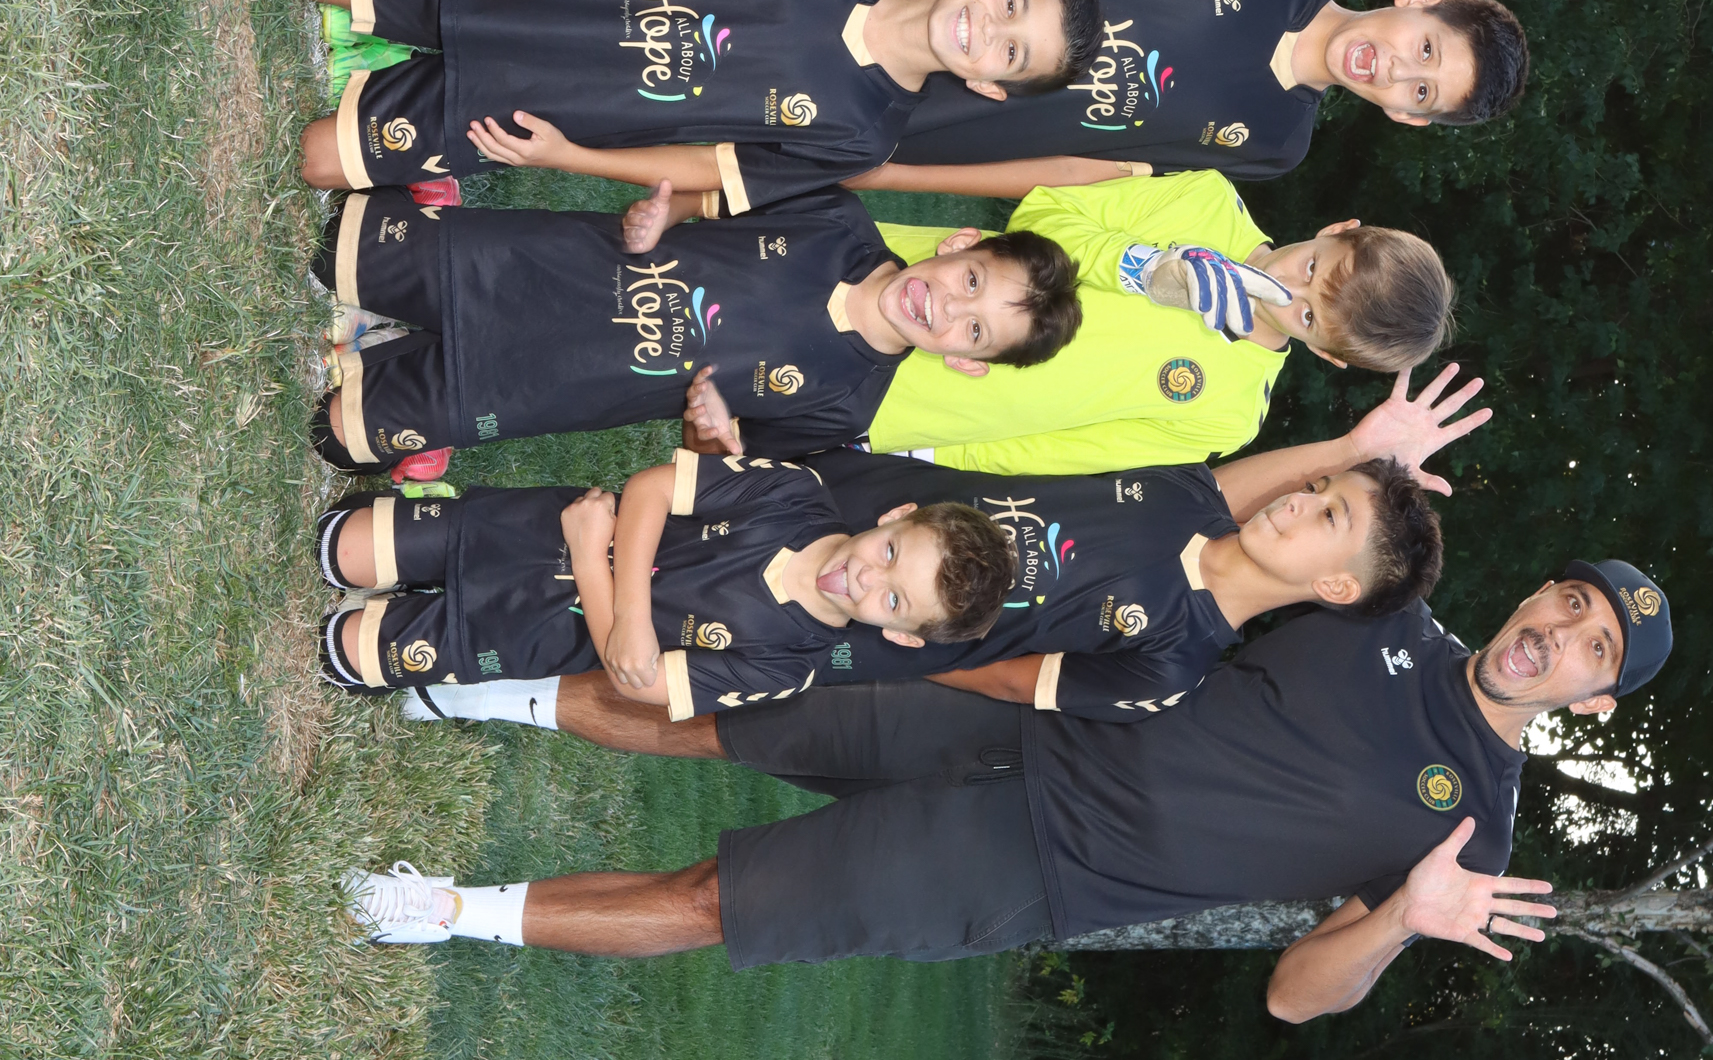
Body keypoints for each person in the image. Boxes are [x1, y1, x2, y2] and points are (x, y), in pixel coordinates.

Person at [342, 559, 1674, 1000]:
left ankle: (444, 911)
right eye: (1569, 601)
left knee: (719, 898)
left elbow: (1297, 994)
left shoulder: (1469, 848)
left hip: (1038, 866)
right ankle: (465, 687)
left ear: (1593, 698)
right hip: (1019, 705)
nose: (1558, 633)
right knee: (723, 712)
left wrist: (1403, 919)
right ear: (1538, 590)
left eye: (1592, 648)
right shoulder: (1388, 605)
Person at [307, 164, 1460, 475]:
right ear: (1334, 228)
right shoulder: (1205, 206)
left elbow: (1063, 452)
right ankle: (423, 299)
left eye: (1310, 312)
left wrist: (925, 447)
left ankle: (429, 378)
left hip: (902, 396)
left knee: (647, 366)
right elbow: (1045, 215)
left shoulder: (1226, 413)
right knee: (654, 287)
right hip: (894, 287)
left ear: (1324, 353)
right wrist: (1151, 266)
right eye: (1313, 265)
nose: (1288, 285)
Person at [316, 437, 1437, 718]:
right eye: (1317, 488)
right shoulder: (1185, 497)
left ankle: (430, 642)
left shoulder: (1176, 664)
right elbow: (1234, 486)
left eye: (1326, 517)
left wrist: (907, 640)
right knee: (363, 543)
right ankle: (422, 555)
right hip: (871, 533)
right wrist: (1359, 441)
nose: (1298, 503)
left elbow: (1008, 679)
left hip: (871, 624)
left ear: (1337, 588)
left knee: (668, 625)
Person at [294, 0, 1100, 203]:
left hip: (540, 111)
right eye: (1010, 5)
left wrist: (569, 157)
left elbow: (708, 169)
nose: (989, 31)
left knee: (316, 160)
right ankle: (379, 35)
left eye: (1011, 54)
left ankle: (383, 85)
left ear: (989, 87)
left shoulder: (865, 136)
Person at [306, 184, 1080, 473]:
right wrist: (664, 213)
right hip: (530, 267)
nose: (945, 308)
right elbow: (710, 197)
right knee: (332, 248)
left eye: (973, 332)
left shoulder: (848, 404)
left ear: (967, 364)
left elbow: (712, 462)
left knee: (336, 434)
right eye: (971, 283)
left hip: (535, 385)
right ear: (959, 244)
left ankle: (388, 357)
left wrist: (711, 435)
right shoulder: (836, 219)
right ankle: (390, 304)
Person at [832, 0, 1526, 192]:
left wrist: (891, 174)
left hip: (904, 125)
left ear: (1406, 116)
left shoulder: (1276, 143)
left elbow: (1081, 169)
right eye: (1426, 49)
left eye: (1421, 92)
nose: (1398, 71)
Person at [314, 459, 1012, 699]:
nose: (863, 576)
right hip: (527, 528)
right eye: (889, 552)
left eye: (892, 598)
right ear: (895, 515)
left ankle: (406, 614)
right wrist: (629, 616)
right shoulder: (797, 493)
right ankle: (419, 537)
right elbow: (651, 488)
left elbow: (638, 681)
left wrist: (593, 565)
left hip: (521, 633)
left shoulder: (789, 665)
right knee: (338, 549)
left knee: (342, 652)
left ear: (902, 636)